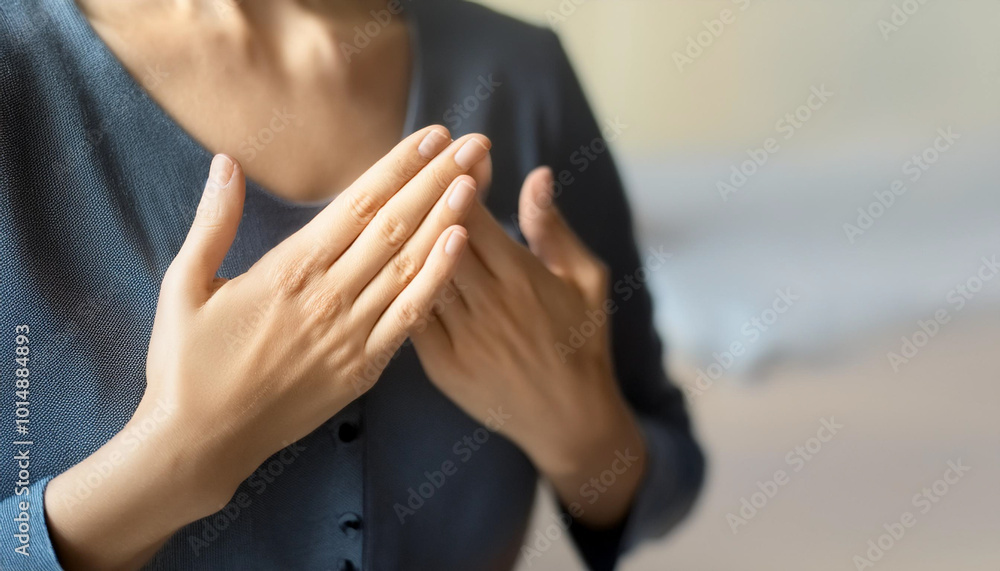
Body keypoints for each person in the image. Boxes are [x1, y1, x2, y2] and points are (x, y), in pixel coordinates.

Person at [0, 0, 704, 569]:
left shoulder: (520, 75)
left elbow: (667, 474)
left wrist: (580, 432)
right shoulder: (18, 74)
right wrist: (176, 456)